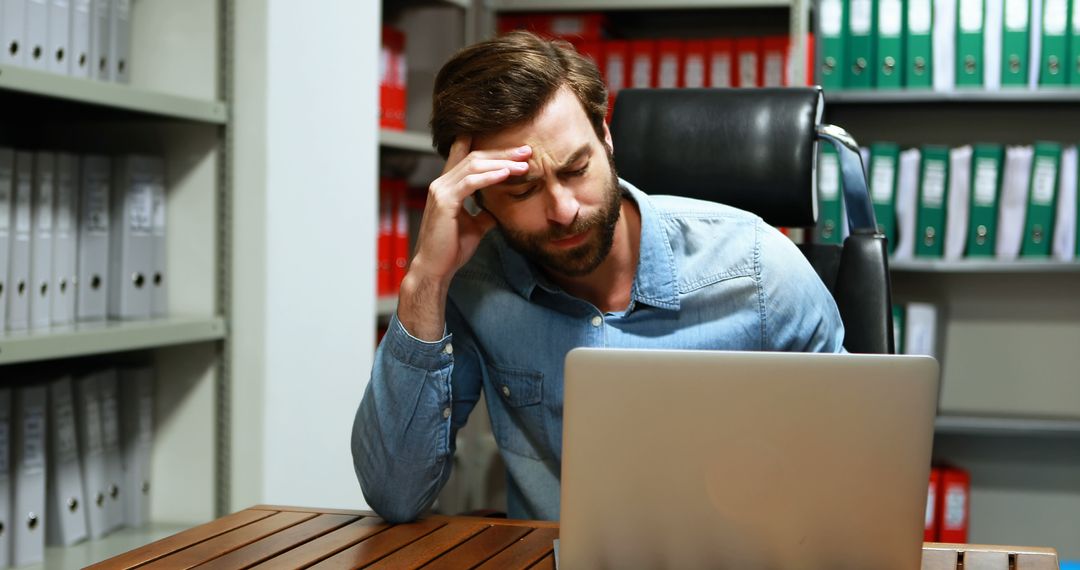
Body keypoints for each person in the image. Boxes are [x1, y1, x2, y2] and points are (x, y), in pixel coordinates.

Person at [352, 31, 844, 523]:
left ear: (605, 141)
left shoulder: (759, 271)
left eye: (576, 170)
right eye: (522, 191)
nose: (563, 210)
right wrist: (425, 281)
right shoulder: (474, 283)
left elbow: (853, 467)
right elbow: (396, 494)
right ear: (477, 198)